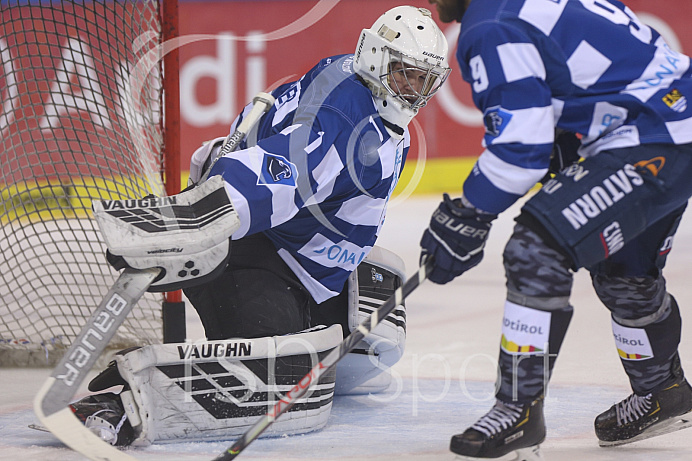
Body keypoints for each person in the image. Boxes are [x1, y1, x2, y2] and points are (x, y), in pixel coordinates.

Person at [65, 6, 451, 447]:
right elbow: (280, 174)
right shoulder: (347, 124)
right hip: (248, 250)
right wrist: (200, 217)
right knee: (277, 381)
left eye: (424, 79)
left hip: (301, 259)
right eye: (406, 75)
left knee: (378, 336)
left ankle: (297, 318)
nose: (414, 90)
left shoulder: (355, 77)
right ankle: (126, 404)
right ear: (378, 60)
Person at [422, 0, 692, 459]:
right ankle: (662, 391)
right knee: (622, 267)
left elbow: (520, 148)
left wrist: (468, 214)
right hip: (674, 125)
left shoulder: (491, 23)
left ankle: (518, 409)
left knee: (536, 247)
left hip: (650, 139)